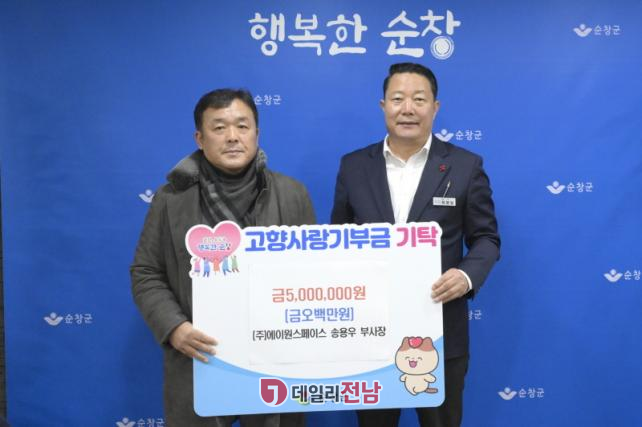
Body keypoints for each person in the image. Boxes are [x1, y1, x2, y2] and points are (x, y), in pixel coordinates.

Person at [131, 88, 315, 427]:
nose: (232, 136)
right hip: (198, 357)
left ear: (257, 133)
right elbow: (146, 272)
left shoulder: (292, 194)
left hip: (274, 360)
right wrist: (175, 328)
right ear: (200, 139)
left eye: (242, 126)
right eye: (219, 127)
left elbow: (312, 274)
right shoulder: (171, 199)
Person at [331, 63, 500, 427]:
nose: (407, 108)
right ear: (383, 106)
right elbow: (338, 241)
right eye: (398, 99)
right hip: (371, 331)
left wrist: (466, 277)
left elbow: (486, 238)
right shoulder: (353, 167)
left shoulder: (465, 166)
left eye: (419, 99)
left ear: (435, 108)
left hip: (440, 328)